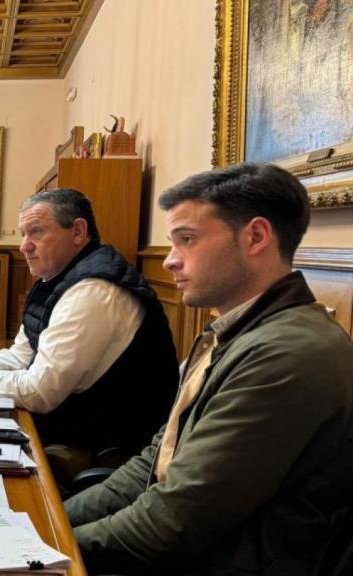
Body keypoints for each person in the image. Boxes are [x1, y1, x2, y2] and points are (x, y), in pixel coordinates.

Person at [66, 163, 353, 575]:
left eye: (187, 240)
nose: (169, 261)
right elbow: (154, 463)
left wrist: (44, 544)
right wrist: (49, 519)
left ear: (255, 237)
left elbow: (172, 524)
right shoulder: (235, 332)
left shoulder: (287, 354)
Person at [0, 189, 178, 460]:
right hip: (70, 425)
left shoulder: (93, 291)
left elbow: (39, 393)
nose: (24, 246)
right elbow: (20, 357)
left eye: (36, 232)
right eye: (23, 234)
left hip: (105, 446)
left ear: (78, 232)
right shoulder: (56, 279)